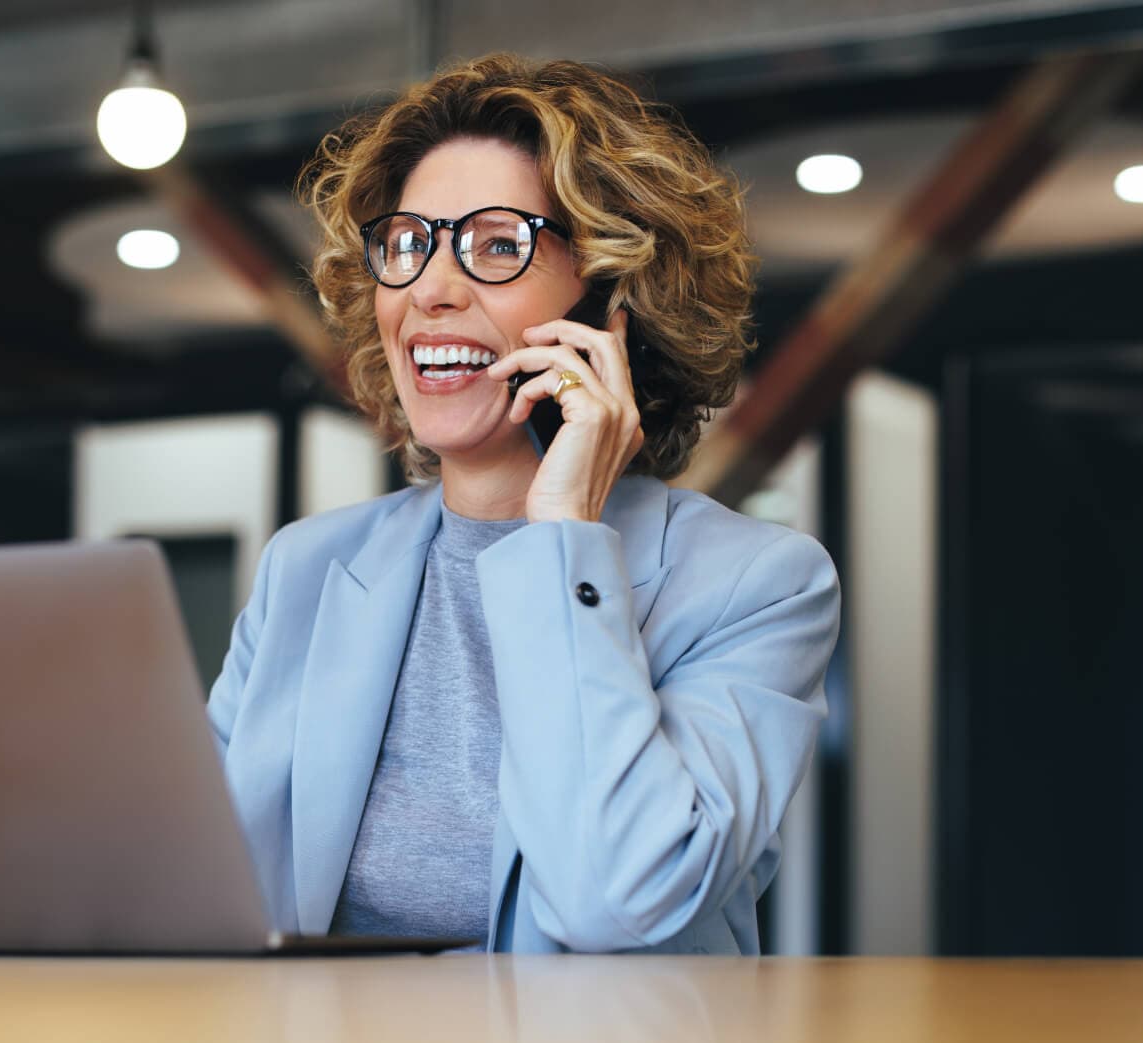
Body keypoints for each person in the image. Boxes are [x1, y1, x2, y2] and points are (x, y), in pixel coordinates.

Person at [208, 53, 840, 954]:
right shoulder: (303, 571)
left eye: (498, 246)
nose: (431, 290)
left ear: (613, 304)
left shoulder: (761, 585)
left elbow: (618, 902)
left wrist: (564, 540)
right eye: (407, 245)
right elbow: (193, 883)